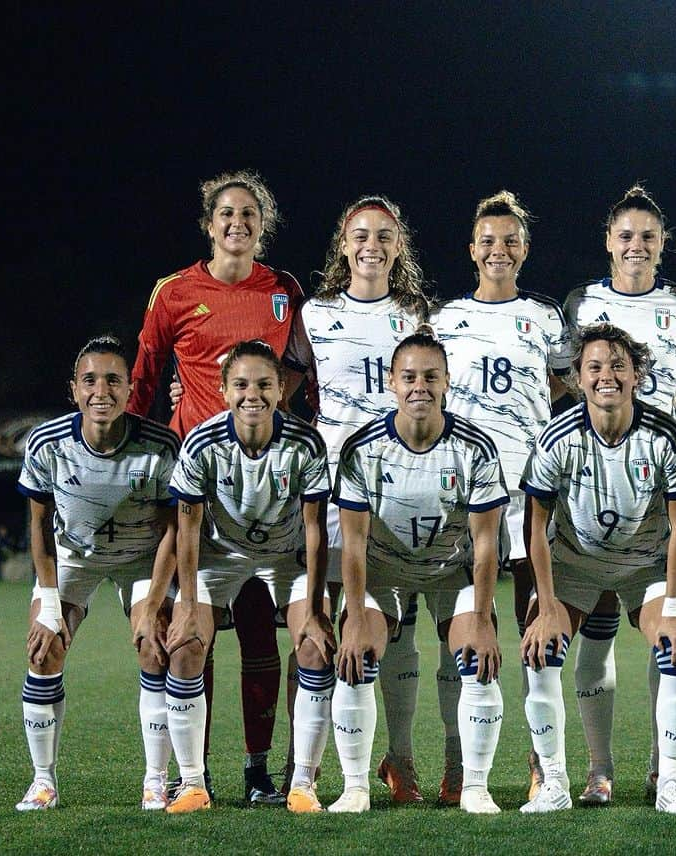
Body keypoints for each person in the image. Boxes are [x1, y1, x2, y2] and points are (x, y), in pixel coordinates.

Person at [129, 170, 304, 805]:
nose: (238, 223)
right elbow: (145, 382)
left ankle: (258, 771)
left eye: (250, 215)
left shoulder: (283, 291)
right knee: (188, 631)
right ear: (209, 224)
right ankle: (189, 772)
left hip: (263, 490)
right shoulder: (174, 292)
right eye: (227, 214)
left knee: (260, 633)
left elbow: (299, 376)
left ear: (263, 226)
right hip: (193, 489)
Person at [282, 195, 438, 804]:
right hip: (330, 487)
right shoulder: (314, 313)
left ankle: (398, 759)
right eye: (360, 234)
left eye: (384, 235)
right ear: (343, 245)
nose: (371, 244)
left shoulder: (418, 314)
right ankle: (308, 766)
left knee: (396, 627)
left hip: (401, 482)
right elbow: (282, 393)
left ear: (400, 248)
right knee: (321, 624)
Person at [561, 186, 676, 804]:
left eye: (648, 236)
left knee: (672, 625)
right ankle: (599, 769)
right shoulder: (582, 302)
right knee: (595, 631)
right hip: (597, 475)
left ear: (661, 244)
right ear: (608, 242)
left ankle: (661, 766)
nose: (637, 246)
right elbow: (563, 384)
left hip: (667, 475)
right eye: (626, 235)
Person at [520, 323, 676, 815]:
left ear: (638, 375)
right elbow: (535, 527)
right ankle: (554, 782)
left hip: (644, 565)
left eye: (619, 366)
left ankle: (669, 782)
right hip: (575, 566)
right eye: (595, 366)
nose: (607, 376)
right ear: (577, 377)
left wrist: (674, 605)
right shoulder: (556, 437)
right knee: (541, 652)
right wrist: (548, 603)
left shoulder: (665, 434)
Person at [429, 190, 571, 801]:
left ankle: (545, 767)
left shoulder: (547, 319)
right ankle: (459, 763)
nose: (498, 250)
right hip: (465, 495)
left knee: (536, 629)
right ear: (471, 249)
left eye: (510, 240)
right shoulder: (444, 320)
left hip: (532, 493)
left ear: (525, 249)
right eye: (488, 240)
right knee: (461, 630)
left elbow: (573, 386)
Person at [331, 332, 507, 814]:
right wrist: (351, 616)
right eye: (408, 377)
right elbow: (353, 542)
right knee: (358, 656)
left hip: (452, 571)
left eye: (431, 376)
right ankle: (360, 785)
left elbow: (487, 542)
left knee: (477, 659)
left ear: (448, 382)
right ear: (391, 383)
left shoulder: (475, 447)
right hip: (384, 571)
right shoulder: (362, 448)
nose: (420, 387)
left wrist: (486, 619)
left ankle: (469, 780)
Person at [162, 340, 333, 814]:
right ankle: (193, 784)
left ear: (281, 389)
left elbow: (315, 530)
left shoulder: (305, 442)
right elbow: (189, 532)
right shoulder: (201, 443)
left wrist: (316, 610)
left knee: (315, 647)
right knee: (183, 649)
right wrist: (189, 607)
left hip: (284, 556)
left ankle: (302, 784)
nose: (251, 395)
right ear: (223, 391)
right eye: (240, 385)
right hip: (222, 555)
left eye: (263, 384)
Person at [15, 335, 179, 811]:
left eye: (113, 380)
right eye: (90, 380)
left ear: (130, 390)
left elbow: (173, 531)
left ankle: (155, 780)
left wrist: (155, 603)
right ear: (74, 389)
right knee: (43, 651)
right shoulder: (47, 444)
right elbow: (40, 528)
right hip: (74, 557)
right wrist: (48, 606)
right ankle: (43, 781)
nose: (100, 391)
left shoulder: (160, 445)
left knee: (156, 646)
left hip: (142, 558)